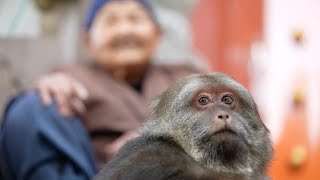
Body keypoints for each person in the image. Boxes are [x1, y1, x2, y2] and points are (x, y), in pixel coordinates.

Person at [0, 0, 203, 179]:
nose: (125, 30)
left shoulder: (185, 75)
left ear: (157, 34)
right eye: (111, 22)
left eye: (135, 19)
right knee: (31, 107)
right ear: (88, 40)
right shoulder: (69, 78)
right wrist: (47, 89)